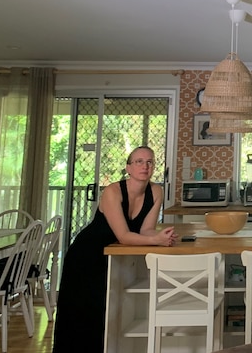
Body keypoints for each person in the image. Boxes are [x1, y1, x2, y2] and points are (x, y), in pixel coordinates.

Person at [52, 146, 177, 353]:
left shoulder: (156, 191)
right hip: (86, 255)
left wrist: (160, 237)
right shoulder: (112, 191)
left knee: (105, 312)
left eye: (150, 162)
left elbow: (145, 229)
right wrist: (156, 240)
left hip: (113, 255)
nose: (145, 166)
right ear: (128, 167)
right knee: (81, 313)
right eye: (138, 161)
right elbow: (124, 236)